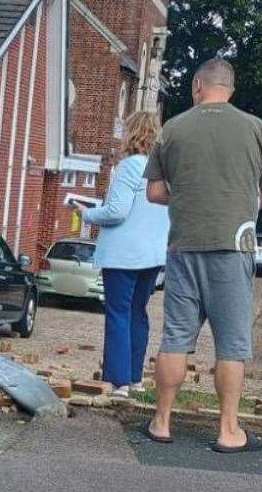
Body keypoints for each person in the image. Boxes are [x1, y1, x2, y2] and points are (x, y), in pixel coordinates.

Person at [142, 57, 262, 453]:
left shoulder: (172, 128)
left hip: (184, 246)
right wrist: (242, 203)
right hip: (233, 247)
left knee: (175, 338)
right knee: (231, 344)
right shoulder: (256, 129)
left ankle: (161, 423)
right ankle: (227, 430)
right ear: (231, 89)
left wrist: (188, 197)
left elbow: (155, 192)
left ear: (196, 85)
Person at [71, 111, 169, 398]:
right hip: (152, 255)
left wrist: (86, 213)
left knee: (117, 314)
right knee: (138, 313)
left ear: (132, 134)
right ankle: (135, 377)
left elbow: (116, 212)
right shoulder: (165, 170)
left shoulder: (129, 167)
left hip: (124, 255)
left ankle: (117, 380)